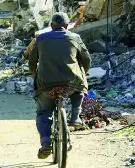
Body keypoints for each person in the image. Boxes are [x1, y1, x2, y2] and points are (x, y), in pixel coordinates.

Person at [27, 12, 91, 159]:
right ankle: (75, 116)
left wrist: (34, 75)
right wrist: (83, 73)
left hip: (46, 85)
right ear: (67, 26)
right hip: (71, 83)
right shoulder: (75, 38)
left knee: (43, 113)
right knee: (79, 87)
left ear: (51, 26)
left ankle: (45, 143)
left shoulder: (41, 38)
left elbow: (32, 61)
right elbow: (86, 59)